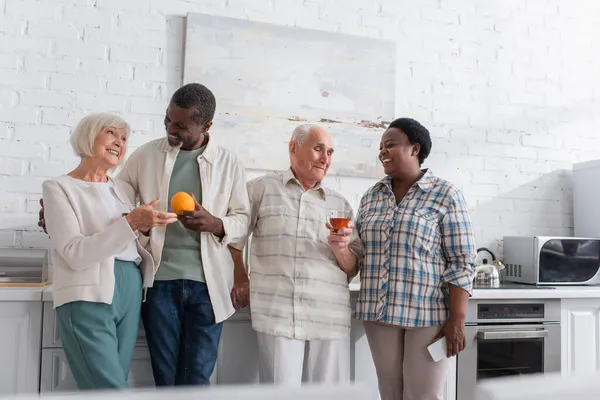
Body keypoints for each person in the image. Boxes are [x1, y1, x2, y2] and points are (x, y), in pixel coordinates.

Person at [39, 83, 251, 387]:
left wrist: (216, 223)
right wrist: (54, 214)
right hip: (158, 283)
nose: (171, 129)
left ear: (206, 126)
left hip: (209, 285)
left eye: (181, 125)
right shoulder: (147, 154)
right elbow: (110, 197)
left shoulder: (229, 163)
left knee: (197, 379)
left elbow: (243, 221)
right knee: (163, 380)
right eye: (167, 120)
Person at [42, 113, 179, 390]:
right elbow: (74, 252)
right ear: (88, 136)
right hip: (87, 290)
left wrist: (146, 227)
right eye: (111, 133)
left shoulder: (124, 188)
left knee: (109, 380)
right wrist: (131, 223)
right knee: (108, 388)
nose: (119, 142)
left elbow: (128, 241)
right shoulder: (59, 188)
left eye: (124, 138)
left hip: (130, 286)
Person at [354, 117, 476, 400]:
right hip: (378, 312)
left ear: (414, 148)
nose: (383, 151)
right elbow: (358, 251)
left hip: (427, 314)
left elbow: (461, 261)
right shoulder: (372, 196)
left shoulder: (446, 194)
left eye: (391, 144)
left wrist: (457, 318)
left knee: (423, 396)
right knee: (390, 393)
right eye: (381, 146)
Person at [230, 124, 362, 386]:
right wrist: (240, 276)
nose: (326, 158)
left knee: (329, 396)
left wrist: (341, 249)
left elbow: (352, 267)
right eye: (318, 149)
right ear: (293, 148)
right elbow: (234, 237)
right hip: (278, 313)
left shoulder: (340, 204)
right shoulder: (260, 189)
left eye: (330, 152)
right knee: (280, 393)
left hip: (329, 315)